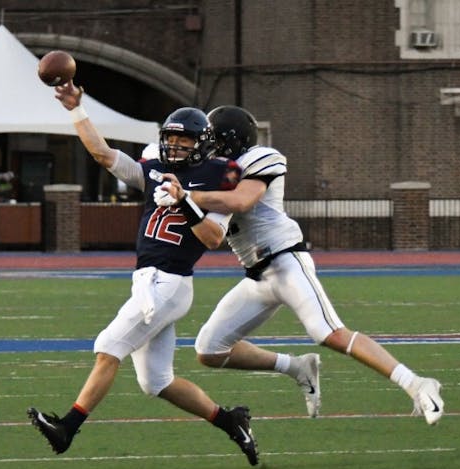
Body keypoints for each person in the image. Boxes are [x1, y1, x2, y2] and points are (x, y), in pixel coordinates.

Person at [156, 105, 444, 425]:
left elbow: (241, 201)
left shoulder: (260, 158)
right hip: (257, 276)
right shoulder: (209, 175)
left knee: (328, 332)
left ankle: (416, 384)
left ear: (229, 142)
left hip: (286, 261)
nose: (203, 147)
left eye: (211, 140)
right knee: (209, 350)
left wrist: (189, 198)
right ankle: (298, 367)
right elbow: (206, 228)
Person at [26, 84, 260, 465]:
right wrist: (75, 109)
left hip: (169, 282)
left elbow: (214, 237)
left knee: (108, 347)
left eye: (184, 142)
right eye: (171, 140)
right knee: (157, 382)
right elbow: (103, 155)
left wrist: (185, 202)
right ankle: (230, 420)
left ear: (202, 144)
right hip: (149, 280)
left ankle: (67, 427)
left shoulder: (219, 176)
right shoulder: (156, 169)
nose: (176, 148)